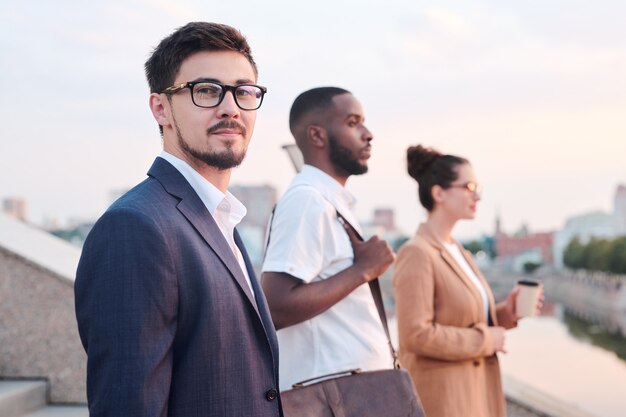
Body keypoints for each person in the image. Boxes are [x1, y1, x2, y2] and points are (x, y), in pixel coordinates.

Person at [74, 22, 282, 417]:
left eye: (243, 91)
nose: (230, 107)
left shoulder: (220, 219)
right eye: (206, 90)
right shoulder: (135, 227)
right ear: (160, 108)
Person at [261, 87, 396, 391]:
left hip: (351, 393)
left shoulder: (328, 201)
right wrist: (363, 270)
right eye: (353, 122)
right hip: (334, 399)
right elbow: (275, 307)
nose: (368, 133)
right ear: (317, 136)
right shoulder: (307, 201)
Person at [393, 145, 537, 417]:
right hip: (443, 401)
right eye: (469, 186)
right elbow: (415, 335)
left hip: (474, 395)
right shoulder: (417, 252)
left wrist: (507, 312)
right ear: (439, 193)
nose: (477, 195)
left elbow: (467, 319)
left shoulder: (458, 251)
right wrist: (485, 340)